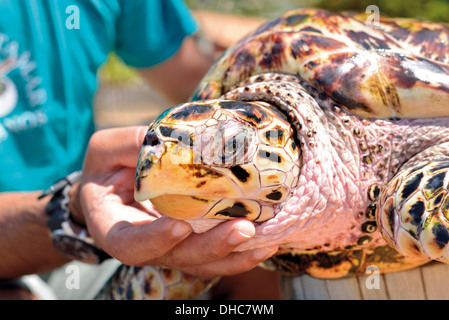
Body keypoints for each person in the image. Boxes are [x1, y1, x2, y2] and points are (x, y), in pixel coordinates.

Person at [0, 0, 278, 299]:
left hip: (87, 237)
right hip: (53, 228)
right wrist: (73, 210)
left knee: (257, 250)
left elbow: (201, 77)